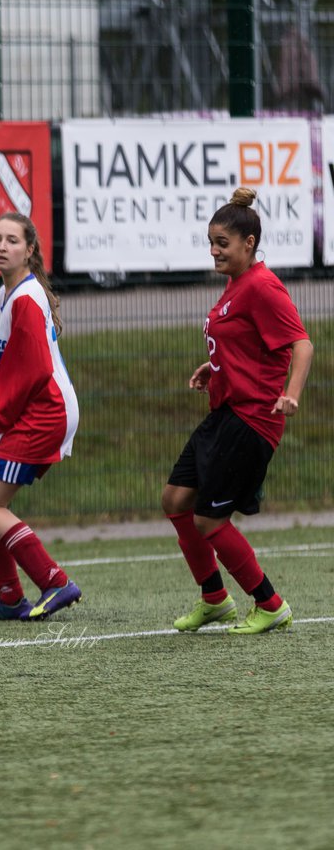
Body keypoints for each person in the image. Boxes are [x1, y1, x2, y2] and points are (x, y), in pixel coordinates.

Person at [162, 187, 312, 635]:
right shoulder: (236, 284)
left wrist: (292, 394)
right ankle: (214, 599)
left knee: (209, 518)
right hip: (225, 412)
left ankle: (270, 604)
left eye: (222, 244)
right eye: (210, 242)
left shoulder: (263, 285)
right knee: (175, 501)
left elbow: (302, 344)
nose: (214, 251)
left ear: (249, 244)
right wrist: (217, 366)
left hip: (253, 420)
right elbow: (245, 341)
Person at [0, 212, 82, 622]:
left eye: (12, 240)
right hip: (29, 408)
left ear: (30, 250)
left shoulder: (27, 300)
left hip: (45, 411)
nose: (1, 246)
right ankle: (12, 599)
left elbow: (32, 372)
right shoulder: (8, 293)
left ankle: (55, 581)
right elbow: (14, 371)